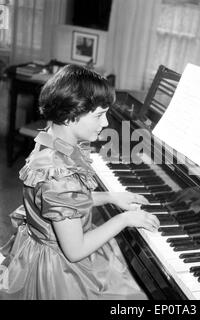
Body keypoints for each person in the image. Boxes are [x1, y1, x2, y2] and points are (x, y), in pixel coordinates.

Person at [0, 64, 160, 300]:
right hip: (60, 269)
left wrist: (110, 196)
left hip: (42, 246)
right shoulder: (59, 173)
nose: (105, 123)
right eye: (99, 115)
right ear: (70, 115)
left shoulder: (53, 142)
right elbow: (75, 251)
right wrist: (124, 219)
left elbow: (66, 202)